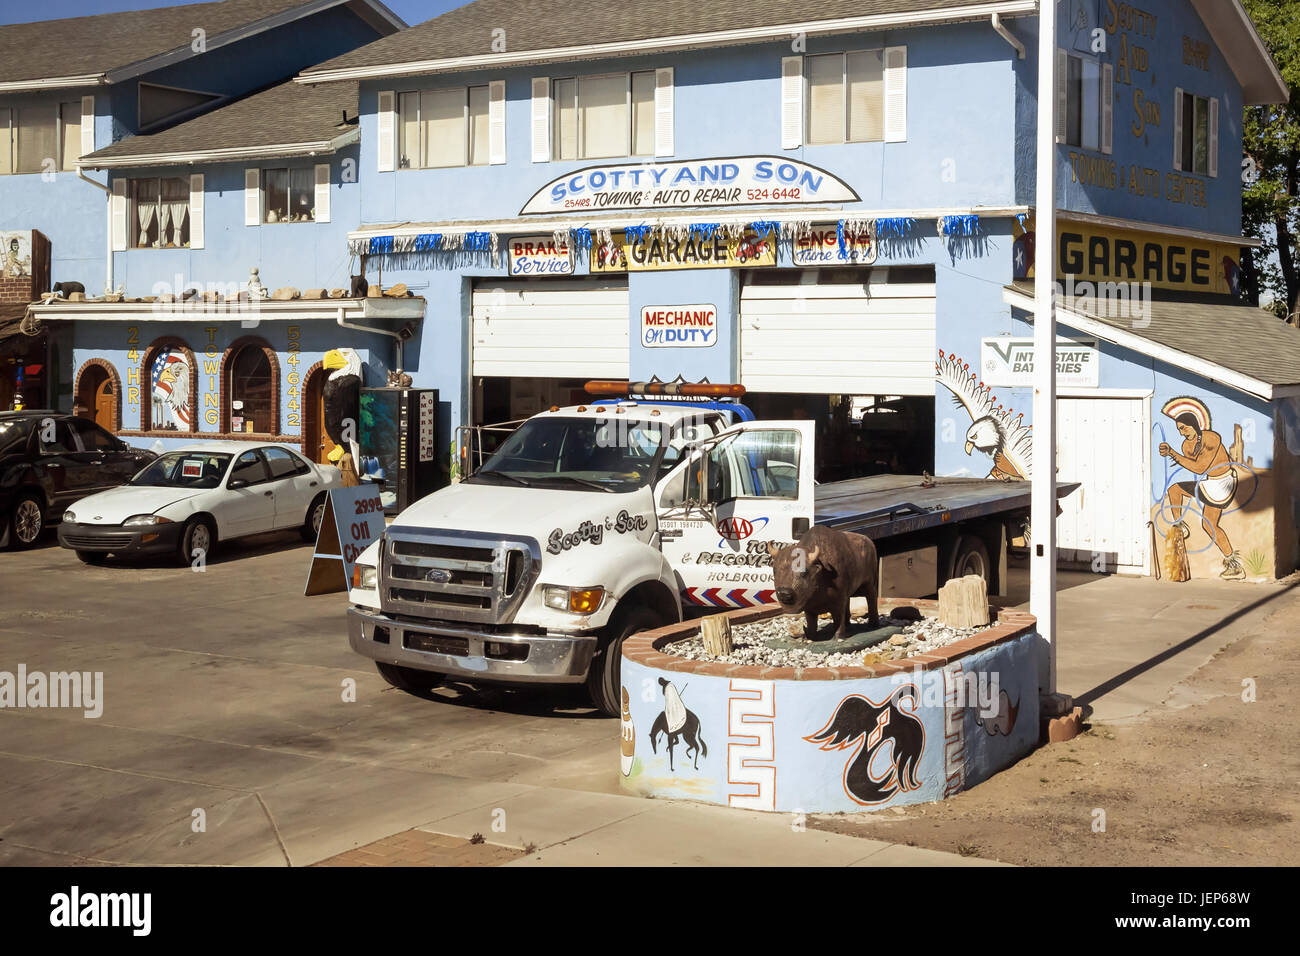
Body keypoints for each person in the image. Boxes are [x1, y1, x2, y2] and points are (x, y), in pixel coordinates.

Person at [1158, 397, 1244, 581]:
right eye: (1179, 429)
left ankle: (1233, 565)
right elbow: (1193, 464)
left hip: (1223, 483)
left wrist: (1172, 453)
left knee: (1208, 522)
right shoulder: (1186, 445)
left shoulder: (1211, 437)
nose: (1182, 433)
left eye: (1184, 427)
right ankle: (1180, 524)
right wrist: (1174, 453)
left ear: (1194, 424)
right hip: (1209, 483)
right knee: (1204, 520)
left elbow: (1200, 467)